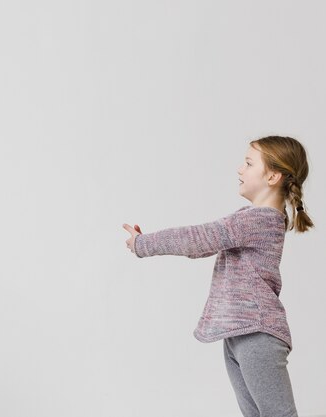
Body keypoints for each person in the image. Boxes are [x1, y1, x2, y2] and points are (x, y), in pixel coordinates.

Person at [123, 136, 313, 417]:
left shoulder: (257, 220)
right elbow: (204, 246)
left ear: (272, 176)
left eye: (249, 163)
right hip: (239, 334)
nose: (240, 169)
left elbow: (198, 239)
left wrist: (143, 243)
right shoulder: (258, 219)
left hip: (256, 334)